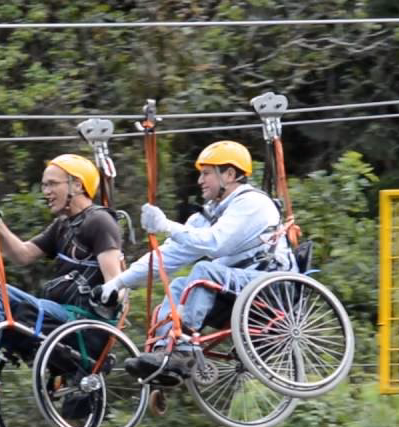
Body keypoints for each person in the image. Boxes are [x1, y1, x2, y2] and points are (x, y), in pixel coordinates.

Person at [94, 140, 297, 386]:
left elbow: (216, 243)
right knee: (179, 286)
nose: (200, 180)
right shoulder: (209, 214)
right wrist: (117, 283)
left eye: (207, 173)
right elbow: (165, 258)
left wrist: (167, 226)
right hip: (238, 287)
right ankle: (165, 354)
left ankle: (182, 347)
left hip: (270, 283)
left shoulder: (252, 203)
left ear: (230, 175)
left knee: (203, 272)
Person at [0, 154, 124, 410]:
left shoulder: (99, 221)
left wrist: (111, 296)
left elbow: (116, 280)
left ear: (77, 185)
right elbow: (22, 255)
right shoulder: (62, 226)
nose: (45, 191)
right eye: (44, 185)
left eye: (52, 184)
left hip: (80, 321)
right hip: (57, 316)